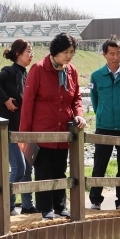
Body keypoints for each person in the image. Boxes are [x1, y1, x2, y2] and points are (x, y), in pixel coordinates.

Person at [19, 32, 86, 219]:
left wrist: (79, 115)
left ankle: (60, 205)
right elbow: (28, 103)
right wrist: (25, 136)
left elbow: (76, 99)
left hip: (63, 130)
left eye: (71, 52)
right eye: (65, 52)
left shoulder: (71, 71)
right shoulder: (38, 69)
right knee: (43, 171)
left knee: (59, 170)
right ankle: (45, 208)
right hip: (42, 131)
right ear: (55, 51)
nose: (68, 56)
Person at [0, 39, 35, 216]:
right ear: (18, 54)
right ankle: (5, 204)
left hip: (23, 129)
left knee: (28, 167)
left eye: (32, 52)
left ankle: (28, 206)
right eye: (28, 51)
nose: (31, 55)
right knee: (19, 168)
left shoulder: (26, 73)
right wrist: (5, 99)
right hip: (9, 130)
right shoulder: (10, 71)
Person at [88, 36, 120, 211]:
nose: (115, 57)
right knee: (100, 163)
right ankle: (95, 200)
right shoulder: (96, 76)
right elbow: (95, 100)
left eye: (118, 53)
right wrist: (102, 113)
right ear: (104, 55)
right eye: (111, 54)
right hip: (104, 125)